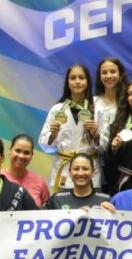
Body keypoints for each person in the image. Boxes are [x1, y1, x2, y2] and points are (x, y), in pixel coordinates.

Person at [39, 63, 99, 192]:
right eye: (73, 78)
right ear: (67, 82)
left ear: (88, 81)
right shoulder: (57, 109)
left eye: (81, 78)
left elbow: (106, 147)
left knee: (91, 204)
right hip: (64, 169)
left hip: (89, 170)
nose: (77, 82)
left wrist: (96, 135)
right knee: (63, 204)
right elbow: (44, 146)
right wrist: (53, 135)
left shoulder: (97, 108)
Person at [94, 56, 129, 195]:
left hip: (120, 165)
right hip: (95, 163)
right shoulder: (93, 102)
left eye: (113, 71)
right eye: (104, 72)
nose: (108, 76)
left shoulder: (128, 102)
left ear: (120, 74)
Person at [2, 134, 50, 207]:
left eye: (26, 153)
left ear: (31, 156)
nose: (21, 156)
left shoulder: (40, 182)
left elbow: (48, 210)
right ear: (9, 151)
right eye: (18, 151)